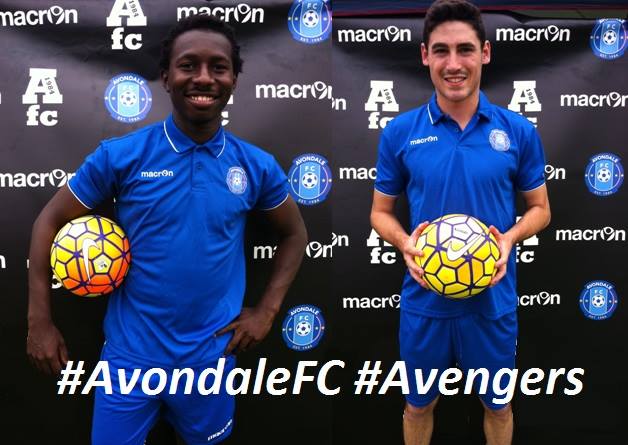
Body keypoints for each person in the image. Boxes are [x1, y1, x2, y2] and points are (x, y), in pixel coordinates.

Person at [26, 14, 307, 445]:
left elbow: (294, 234)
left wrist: (267, 311)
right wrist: (39, 321)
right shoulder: (122, 156)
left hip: (210, 357)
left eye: (218, 67)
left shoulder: (256, 166)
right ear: (165, 77)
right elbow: (49, 221)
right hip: (130, 358)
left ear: (234, 79)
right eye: (188, 65)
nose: (204, 78)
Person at [370, 1, 551, 444]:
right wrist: (405, 242)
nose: (454, 64)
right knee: (418, 405)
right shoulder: (400, 132)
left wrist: (509, 238)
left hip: (492, 300)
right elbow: (379, 213)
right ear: (425, 56)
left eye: (465, 49)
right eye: (441, 50)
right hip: (425, 300)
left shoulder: (518, 131)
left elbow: (541, 209)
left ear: (484, 53)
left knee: (499, 406)